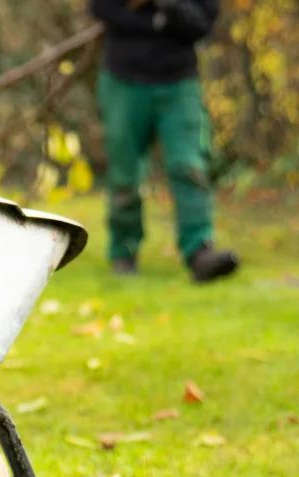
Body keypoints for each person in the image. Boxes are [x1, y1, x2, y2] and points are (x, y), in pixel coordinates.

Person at [91, 0, 239, 282]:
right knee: (125, 173)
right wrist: (160, 23)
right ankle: (123, 253)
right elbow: (102, 9)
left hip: (179, 81)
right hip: (123, 78)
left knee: (189, 165)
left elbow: (201, 24)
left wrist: (163, 6)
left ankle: (200, 252)